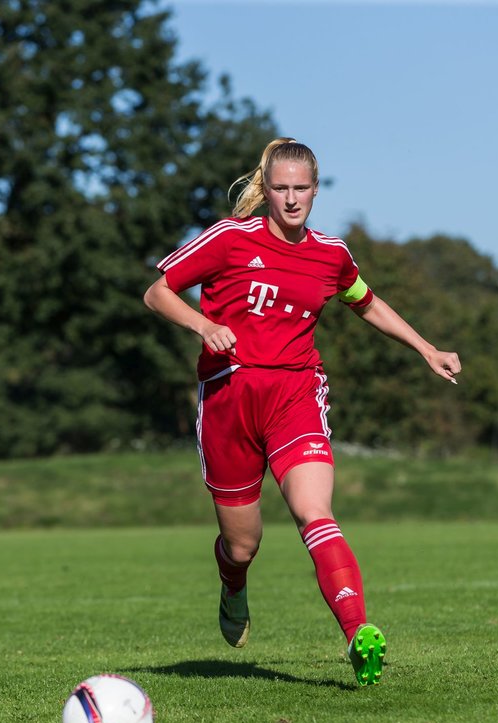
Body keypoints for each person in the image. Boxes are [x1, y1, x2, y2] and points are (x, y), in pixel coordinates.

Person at [143, 138, 461, 686]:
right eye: (281, 188)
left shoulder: (331, 254)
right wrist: (203, 325)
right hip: (229, 402)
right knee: (243, 545)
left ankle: (359, 634)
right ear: (265, 189)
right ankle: (233, 583)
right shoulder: (229, 239)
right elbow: (158, 292)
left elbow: (367, 302)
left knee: (315, 512)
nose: (291, 200)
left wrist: (426, 347)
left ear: (316, 191)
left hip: (295, 395)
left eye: (301, 189)